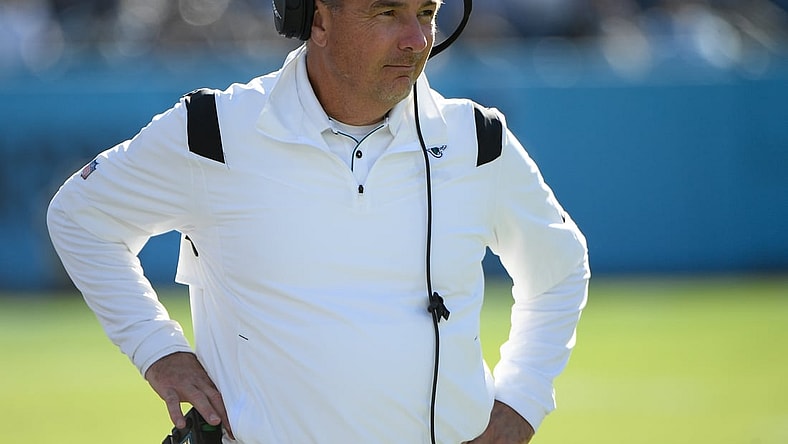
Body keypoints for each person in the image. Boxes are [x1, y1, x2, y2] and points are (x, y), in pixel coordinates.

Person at [47, 0, 590, 442]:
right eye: (388, 14)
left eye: (426, 13)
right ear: (320, 19)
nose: (417, 39)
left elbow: (560, 268)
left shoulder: (479, 141)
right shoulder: (212, 132)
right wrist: (156, 349)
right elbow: (79, 217)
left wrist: (523, 397)